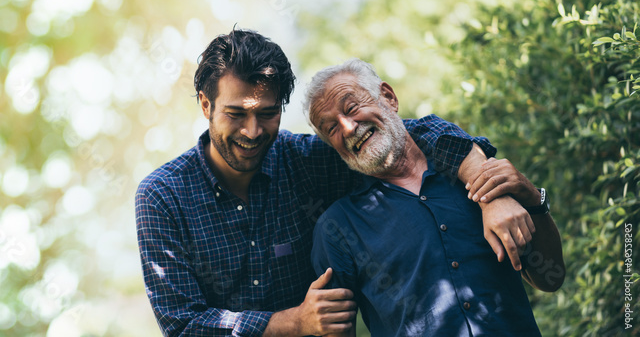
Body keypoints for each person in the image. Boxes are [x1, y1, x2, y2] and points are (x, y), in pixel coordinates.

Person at [134, 29, 536, 337]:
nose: (253, 132)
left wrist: (487, 189)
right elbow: (183, 324)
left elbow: (405, 135)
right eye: (236, 114)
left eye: (268, 114)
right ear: (206, 104)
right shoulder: (162, 197)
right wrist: (294, 322)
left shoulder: (305, 162)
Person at [305, 58, 565, 336]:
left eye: (352, 107)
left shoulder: (476, 175)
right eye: (330, 128)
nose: (346, 128)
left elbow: (550, 278)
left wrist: (533, 197)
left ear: (388, 97)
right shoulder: (337, 228)